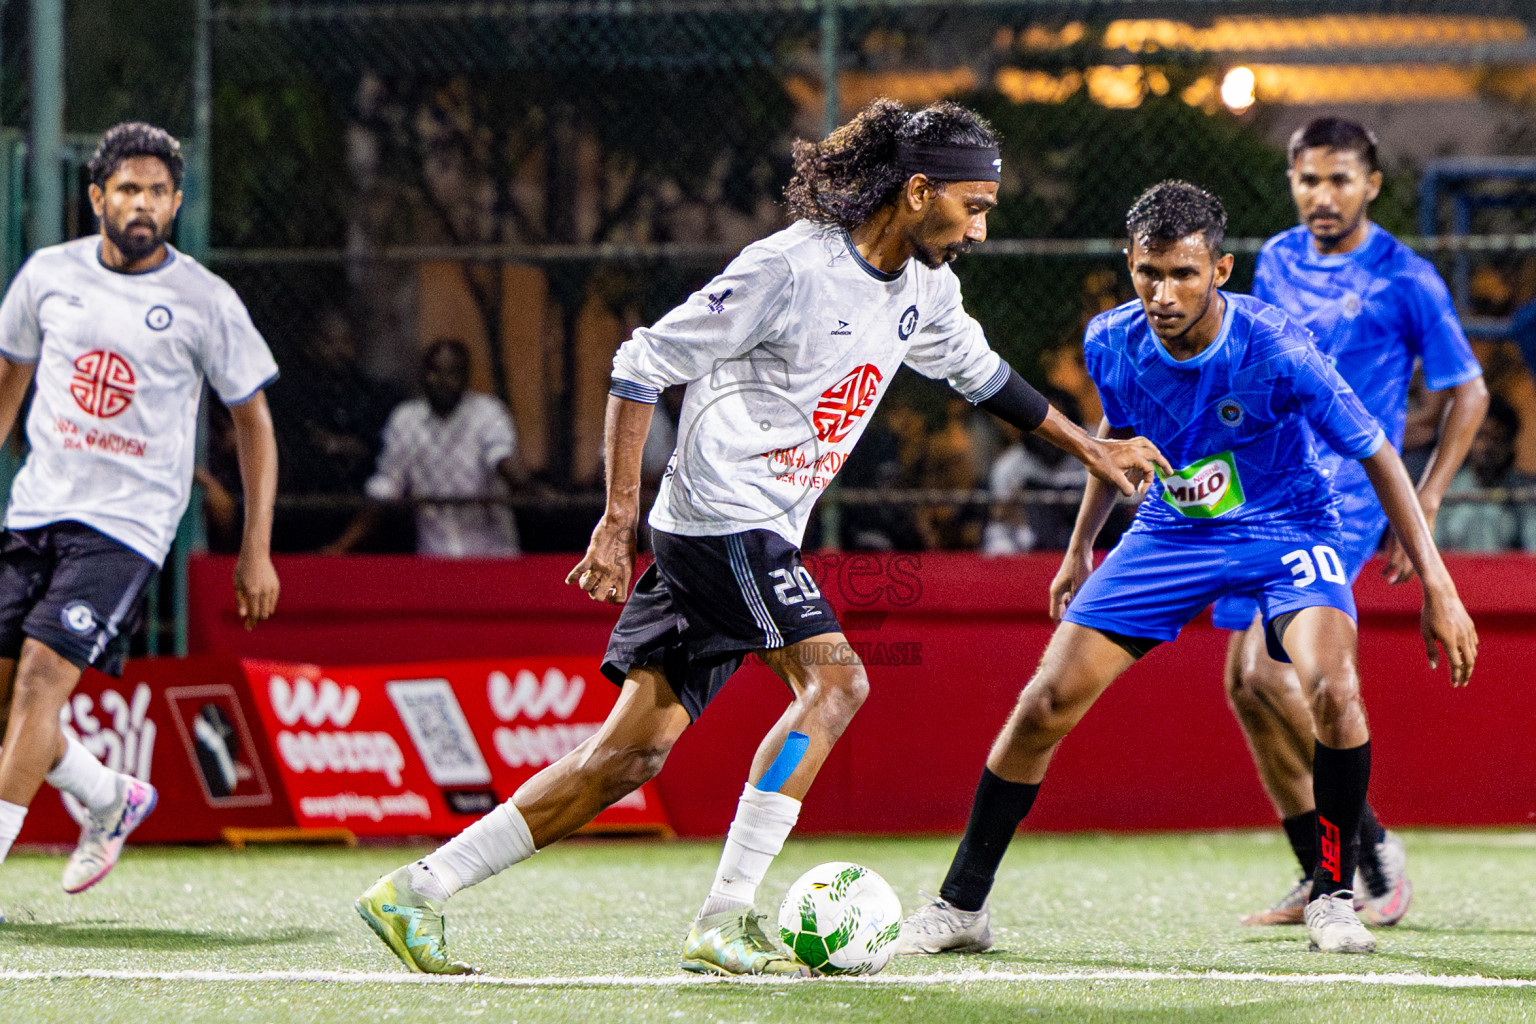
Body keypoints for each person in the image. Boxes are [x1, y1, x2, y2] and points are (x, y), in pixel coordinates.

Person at [354, 98, 1168, 976]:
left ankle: (418, 891)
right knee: (839, 684)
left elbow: (983, 376)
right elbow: (640, 363)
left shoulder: (927, 288)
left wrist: (1090, 445)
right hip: (721, 520)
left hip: (748, 529)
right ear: (920, 190)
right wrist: (618, 518)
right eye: (973, 206)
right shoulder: (789, 269)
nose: (980, 228)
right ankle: (727, 913)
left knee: (627, 755)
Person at [899, 180, 1476, 958]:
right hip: (1173, 532)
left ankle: (1335, 894)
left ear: (1222, 272)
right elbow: (1118, 437)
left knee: (1331, 689)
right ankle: (962, 906)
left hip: (1288, 529)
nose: (1163, 294)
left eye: (1183, 275)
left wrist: (1439, 585)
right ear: (1129, 267)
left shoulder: (1277, 346)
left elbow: (1376, 451)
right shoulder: (1110, 342)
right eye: (1148, 273)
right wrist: (1080, 548)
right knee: (1044, 702)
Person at [0, 122, 280, 902]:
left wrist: (255, 549)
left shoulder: (204, 300)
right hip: (34, 512)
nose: (143, 204)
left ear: (177, 201)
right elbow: (7, 388)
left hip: (127, 525)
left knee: (39, 681)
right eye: (128, 189)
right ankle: (106, 795)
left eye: (158, 192)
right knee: (6, 704)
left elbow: (253, 422)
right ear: (97, 198)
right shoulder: (46, 276)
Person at [1220, 118, 1487, 929]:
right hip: (1269, 490)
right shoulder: (1276, 259)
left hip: (1350, 495)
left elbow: (1467, 392)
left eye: (1339, 180)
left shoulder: (1408, 279)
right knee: (1243, 685)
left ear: (1371, 184)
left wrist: (1428, 500)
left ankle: (1368, 850)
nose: (1322, 196)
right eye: (1308, 179)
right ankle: (1322, 871)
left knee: (1273, 675)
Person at [325, 339, 524, 557]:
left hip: (491, 555)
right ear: (422, 374)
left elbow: (502, 458)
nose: (441, 381)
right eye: (434, 371)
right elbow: (386, 486)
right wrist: (340, 547)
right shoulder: (406, 419)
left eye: (452, 373)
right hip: (434, 557)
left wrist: (533, 490)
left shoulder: (488, 413)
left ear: (465, 378)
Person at [1435, 394, 1536, 551]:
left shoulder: (1526, 494)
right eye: (1480, 436)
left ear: (1510, 444)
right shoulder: (1446, 491)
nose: (1487, 447)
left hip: (1510, 574)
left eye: (1496, 438)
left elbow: (1532, 550)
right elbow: (1434, 546)